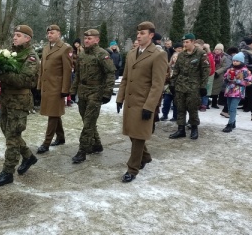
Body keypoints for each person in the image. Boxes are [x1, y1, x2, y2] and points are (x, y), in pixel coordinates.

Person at [0, 25, 40, 187]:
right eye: (14, 35)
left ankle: (8, 172)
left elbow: (24, 80)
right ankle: (29, 157)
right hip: (6, 99)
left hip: (20, 100)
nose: (14, 37)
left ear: (27, 38)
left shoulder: (30, 56)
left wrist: (2, 74)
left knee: (13, 137)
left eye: (18, 35)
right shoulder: (10, 53)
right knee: (8, 133)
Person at [116, 21, 167, 183]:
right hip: (130, 101)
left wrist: (150, 106)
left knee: (138, 137)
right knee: (132, 132)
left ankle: (132, 168)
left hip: (144, 102)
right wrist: (119, 98)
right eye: (138, 33)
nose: (138, 35)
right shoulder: (132, 53)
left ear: (151, 35)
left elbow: (157, 84)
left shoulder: (158, 55)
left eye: (142, 33)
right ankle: (145, 157)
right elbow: (125, 78)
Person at [69, 29, 115, 163]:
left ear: (97, 40)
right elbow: (77, 75)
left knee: (88, 122)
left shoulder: (102, 54)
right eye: (86, 38)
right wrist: (73, 91)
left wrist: (107, 93)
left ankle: (82, 150)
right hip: (83, 91)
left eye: (90, 38)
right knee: (87, 120)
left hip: (96, 92)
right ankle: (97, 144)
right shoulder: (82, 55)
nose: (86, 40)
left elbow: (110, 74)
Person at [36, 25, 73, 154]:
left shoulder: (65, 48)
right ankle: (61, 137)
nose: (49, 35)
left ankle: (46, 142)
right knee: (54, 113)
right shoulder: (46, 48)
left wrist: (65, 89)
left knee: (52, 115)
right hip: (47, 87)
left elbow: (67, 71)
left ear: (59, 34)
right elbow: (42, 68)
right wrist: (40, 85)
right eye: (48, 33)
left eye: (52, 33)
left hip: (57, 88)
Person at [169, 33, 210, 140]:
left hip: (194, 85)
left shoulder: (201, 54)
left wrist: (203, 86)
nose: (185, 44)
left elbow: (205, 71)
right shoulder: (182, 55)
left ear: (193, 42)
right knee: (180, 108)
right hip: (180, 85)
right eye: (184, 42)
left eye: (187, 42)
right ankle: (180, 129)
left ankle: (194, 128)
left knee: (193, 108)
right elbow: (176, 69)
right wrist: (172, 83)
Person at [221, 52, 252, 132]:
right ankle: (233, 121)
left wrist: (238, 81)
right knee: (229, 107)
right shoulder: (230, 69)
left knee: (232, 108)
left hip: (238, 92)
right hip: (229, 91)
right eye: (234, 60)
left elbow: (249, 81)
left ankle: (230, 124)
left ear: (241, 61)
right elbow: (224, 77)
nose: (235, 62)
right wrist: (227, 79)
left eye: (237, 61)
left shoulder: (245, 70)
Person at [160, 42, 183, 121]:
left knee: (176, 102)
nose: (175, 58)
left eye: (177, 57)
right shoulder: (169, 66)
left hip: (177, 86)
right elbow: (166, 74)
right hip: (169, 87)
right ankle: (164, 114)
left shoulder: (181, 67)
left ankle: (175, 116)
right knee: (166, 101)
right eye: (174, 57)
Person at [240, 37, 252, 121]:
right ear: (249, 45)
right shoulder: (245, 53)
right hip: (245, 77)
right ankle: (226, 110)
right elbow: (245, 65)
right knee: (237, 94)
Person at [210, 43, 231, 109]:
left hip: (218, 75)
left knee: (216, 90)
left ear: (222, 50)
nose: (217, 51)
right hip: (210, 73)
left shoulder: (224, 57)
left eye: (219, 50)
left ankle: (214, 103)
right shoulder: (211, 56)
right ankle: (206, 103)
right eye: (216, 49)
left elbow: (224, 67)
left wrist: (217, 72)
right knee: (209, 88)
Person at [220, 47, 239, 118]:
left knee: (229, 97)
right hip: (229, 82)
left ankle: (226, 110)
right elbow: (226, 69)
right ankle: (226, 111)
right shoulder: (229, 59)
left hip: (230, 83)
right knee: (229, 97)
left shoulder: (231, 59)